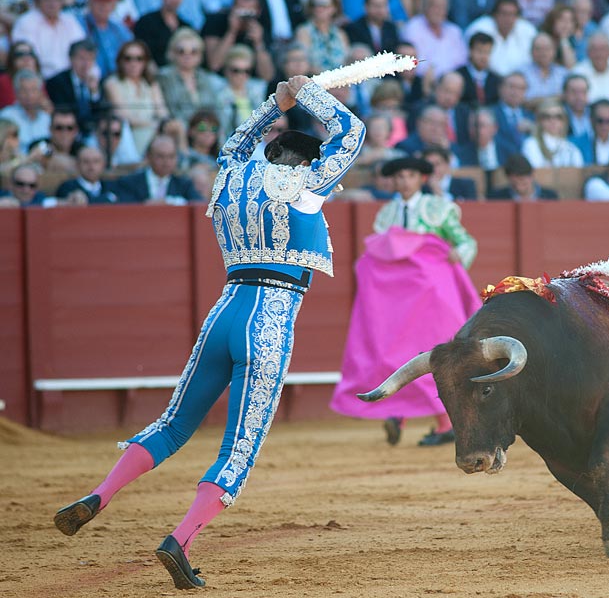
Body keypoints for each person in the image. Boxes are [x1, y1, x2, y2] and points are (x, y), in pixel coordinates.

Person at [53, 73, 365, 590]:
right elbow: (350, 132)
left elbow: (234, 142)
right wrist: (308, 93)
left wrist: (275, 104)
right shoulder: (304, 186)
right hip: (268, 320)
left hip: (223, 313)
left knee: (174, 424)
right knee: (238, 447)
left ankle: (99, 495)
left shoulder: (231, 177)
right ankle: (180, 539)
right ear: (306, 162)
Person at [330, 155, 479, 447]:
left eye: (410, 175)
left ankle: (444, 422)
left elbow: (465, 241)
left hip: (433, 300)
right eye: (399, 177)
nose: (404, 181)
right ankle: (398, 412)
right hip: (400, 302)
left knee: (437, 355)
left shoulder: (440, 209)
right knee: (396, 353)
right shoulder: (386, 215)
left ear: (421, 179)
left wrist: (457, 254)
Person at [103, 40, 170, 155]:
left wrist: (160, 126)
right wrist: (152, 125)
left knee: (175, 128)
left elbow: (163, 112)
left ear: (145, 62)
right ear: (120, 61)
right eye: (128, 58)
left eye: (139, 59)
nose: (133, 63)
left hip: (155, 130)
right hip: (128, 134)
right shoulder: (112, 83)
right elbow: (124, 116)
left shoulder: (151, 84)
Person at [155, 28, 226, 129]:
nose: (187, 56)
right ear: (172, 53)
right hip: (178, 132)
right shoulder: (163, 77)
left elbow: (215, 111)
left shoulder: (206, 78)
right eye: (181, 51)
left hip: (206, 133)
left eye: (194, 52)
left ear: (200, 55)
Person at [113, 134, 203, 204]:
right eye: (160, 156)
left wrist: (172, 202)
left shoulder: (184, 184)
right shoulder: (129, 182)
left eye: (171, 157)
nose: (166, 162)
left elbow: (199, 206)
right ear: (149, 157)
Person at [10, 0, 86, 80]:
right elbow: (25, 57)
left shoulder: (70, 21)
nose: (52, 4)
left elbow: (83, 50)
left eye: (56, 0)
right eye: (47, 0)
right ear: (38, 2)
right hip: (41, 80)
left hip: (70, 80)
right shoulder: (26, 22)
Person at [44, 39, 106, 136]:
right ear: (71, 59)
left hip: (95, 132)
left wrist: (94, 92)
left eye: (90, 59)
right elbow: (63, 111)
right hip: (68, 131)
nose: (86, 64)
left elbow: (102, 114)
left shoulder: (99, 82)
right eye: (82, 58)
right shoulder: (57, 82)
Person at [465, 0, 538, 77]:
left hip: (520, 81)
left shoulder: (528, 31)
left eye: (512, 14)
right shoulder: (479, 28)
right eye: (504, 13)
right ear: (495, 14)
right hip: (487, 79)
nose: (508, 19)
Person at [521, 98, 584, 168]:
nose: (553, 121)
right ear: (539, 120)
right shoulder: (531, 144)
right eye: (547, 116)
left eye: (558, 117)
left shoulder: (572, 149)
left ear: (564, 121)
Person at [294, 0, 350, 75]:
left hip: (341, 82)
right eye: (315, 5)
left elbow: (347, 60)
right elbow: (305, 63)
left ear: (334, 8)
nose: (319, 8)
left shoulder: (340, 33)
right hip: (315, 81)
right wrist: (329, 79)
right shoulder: (303, 32)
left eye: (324, 5)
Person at [456, 32, 501, 107]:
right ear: (470, 51)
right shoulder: (459, 76)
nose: (483, 56)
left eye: (487, 52)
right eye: (480, 51)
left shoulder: (496, 79)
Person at [487, 153, 559, 200]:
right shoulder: (496, 198)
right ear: (509, 178)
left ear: (532, 176)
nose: (519, 187)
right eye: (515, 183)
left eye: (523, 181)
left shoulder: (550, 197)